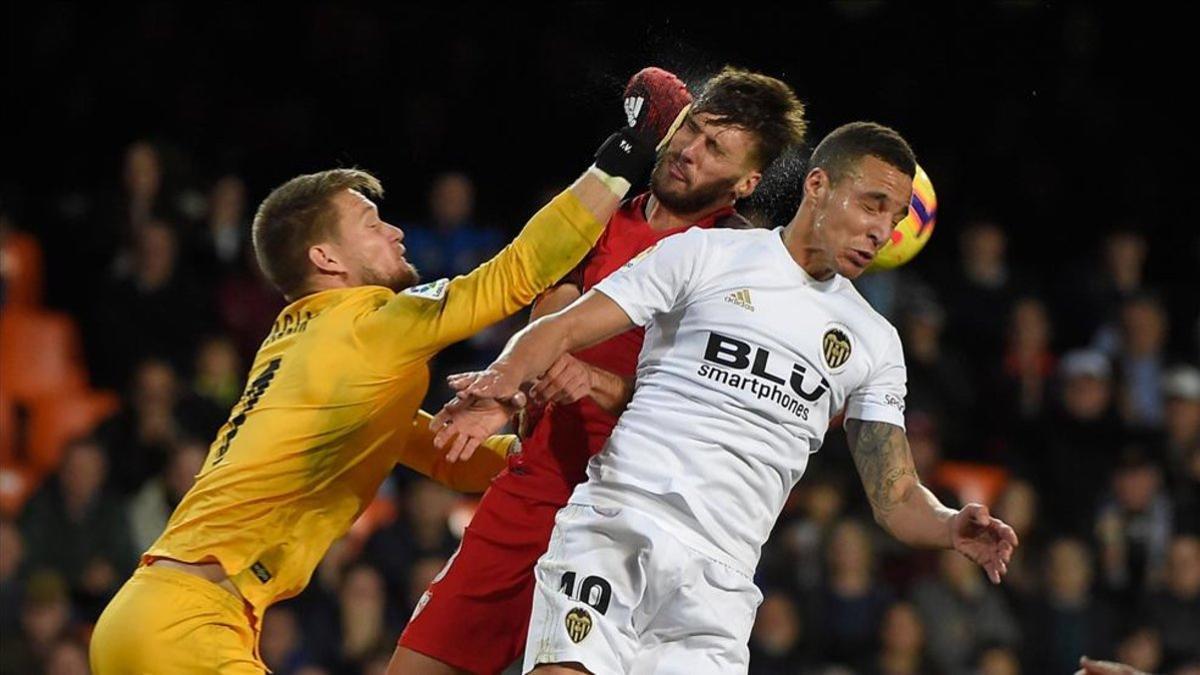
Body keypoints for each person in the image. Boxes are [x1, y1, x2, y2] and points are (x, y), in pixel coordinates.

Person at [88, 67, 693, 674]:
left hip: (154, 615)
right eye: (371, 225)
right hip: (187, 623)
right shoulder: (366, 323)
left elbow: (436, 454)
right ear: (325, 258)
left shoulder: (301, 343)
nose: (395, 230)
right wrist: (629, 149)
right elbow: (516, 273)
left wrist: (547, 458)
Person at [434, 122, 1019, 674]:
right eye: (871, 204)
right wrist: (500, 386)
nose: (882, 231)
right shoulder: (705, 255)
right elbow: (559, 328)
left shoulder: (874, 342)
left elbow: (893, 497)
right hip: (619, 527)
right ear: (817, 184)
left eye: (893, 218)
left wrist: (947, 526)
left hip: (722, 584)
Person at [392, 65, 808, 675]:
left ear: (746, 183)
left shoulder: (742, 268)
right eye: (690, 129)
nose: (688, 151)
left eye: (714, 148)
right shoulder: (598, 213)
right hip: (538, 484)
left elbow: (715, 410)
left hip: (636, 519)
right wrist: (508, 391)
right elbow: (550, 313)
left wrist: (603, 384)